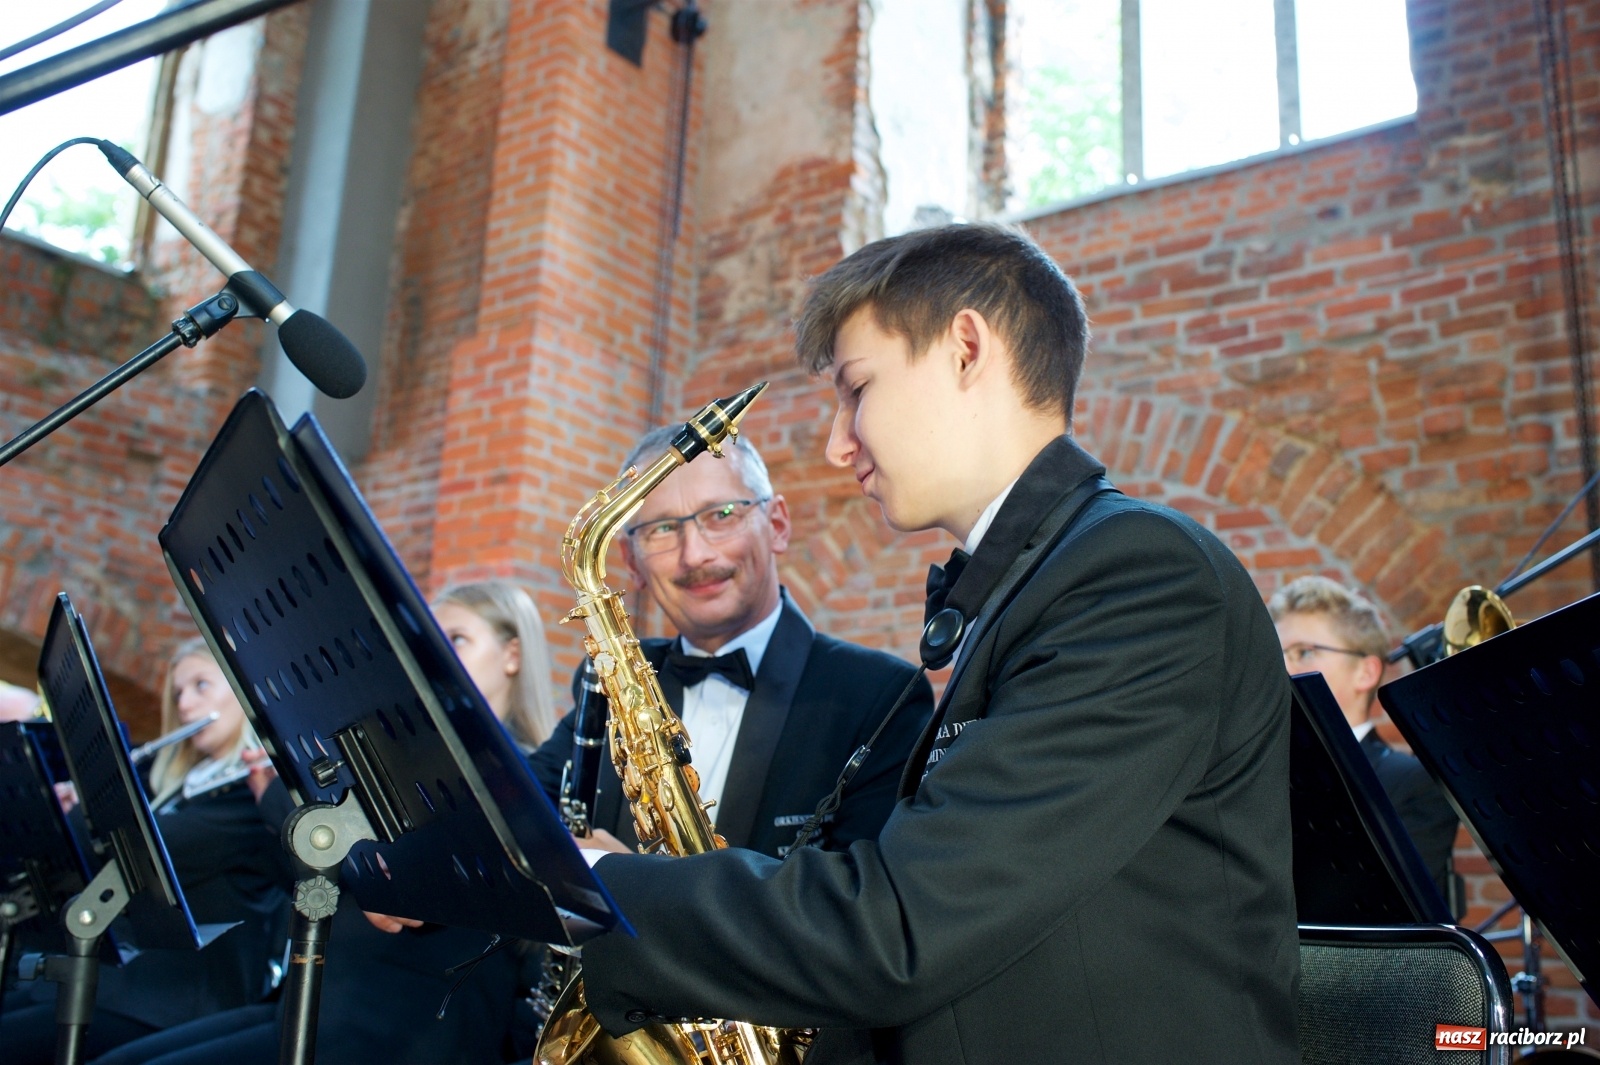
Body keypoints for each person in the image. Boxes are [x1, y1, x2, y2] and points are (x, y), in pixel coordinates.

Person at [570, 223, 1302, 1065]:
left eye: (856, 388)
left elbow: (906, 926)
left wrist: (606, 887)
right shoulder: (1039, 582)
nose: (837, 443)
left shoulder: (1140, 572)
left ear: (965, 349)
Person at [91, 580, 557, 1065]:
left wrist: (280, 797)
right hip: (319, 998)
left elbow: (399, 882)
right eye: (424, 641)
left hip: (402, 1024)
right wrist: (286, 794)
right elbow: (308, 882)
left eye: (456, 639)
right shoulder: (404, 760)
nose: (432, 655)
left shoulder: (523, 779)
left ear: (512, 655)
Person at [524, 427, 935, 859]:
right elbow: (507, 811)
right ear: (632, 562)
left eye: (722, 515)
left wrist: (632, 882)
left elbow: (861, 892)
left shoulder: (881, 697)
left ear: (777, 526)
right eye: (662, 528)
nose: (694, 555)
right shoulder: (608, 682)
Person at [2, 638, 290, 1065]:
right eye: (178, 693)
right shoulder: (168, 779)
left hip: (177, 999)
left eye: (201, 686)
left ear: (244, 690)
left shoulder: (251, 795)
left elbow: (140, 851)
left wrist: (87, 807)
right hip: (117, 984)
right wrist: (70, 807)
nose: (185, 705)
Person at [1270, 574, 1458, 900]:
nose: (1282, 669)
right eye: (1277, 654)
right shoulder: (1260, 771)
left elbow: (1405, 912)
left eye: (1304, 652)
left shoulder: (1414, 784)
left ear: (1366, 672)